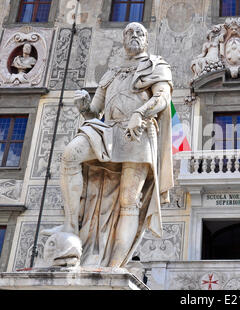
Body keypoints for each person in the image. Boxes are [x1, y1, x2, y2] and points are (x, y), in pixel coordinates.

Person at [42, 22, 174, 268]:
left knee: (128, 200)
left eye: (140, 33)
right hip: (108, 130)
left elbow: (162, 98)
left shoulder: (156, 66)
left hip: (138, 133)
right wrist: (84, 106)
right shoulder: (111, 72)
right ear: (123, 39)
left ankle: (114, 267)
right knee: (70, 154)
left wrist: (141, 112)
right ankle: (71, 225)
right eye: (129, 32)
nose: (134, 36)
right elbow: (95, 112)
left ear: (146, 40)